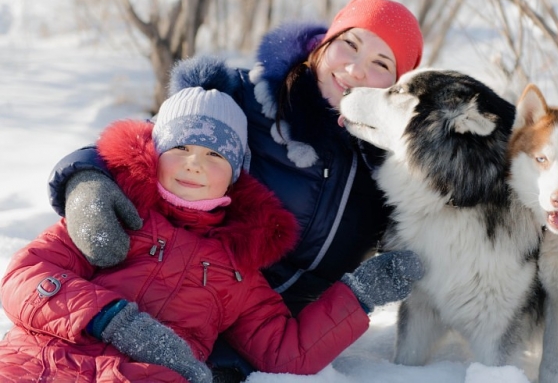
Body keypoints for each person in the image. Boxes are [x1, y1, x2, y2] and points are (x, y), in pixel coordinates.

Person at [46, 0, 425, 378]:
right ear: (326, 43)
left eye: (381, 64)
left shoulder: (392, 166)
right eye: (350, 44)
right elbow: (155, 146)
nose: (357, 70)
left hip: (271, 330)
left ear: (397, 85)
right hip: (163, 294)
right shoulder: (244, 96)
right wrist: (86, 178)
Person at [0, 86, 423, 382]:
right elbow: (25, 277)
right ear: (156, 153)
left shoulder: (239, 268)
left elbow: (286, 354)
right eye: (180, 149)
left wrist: (357, 295)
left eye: (214, 155)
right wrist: (112, 320)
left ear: (235, 174)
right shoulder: (122, 211)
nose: (193, 164)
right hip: (36, 361)